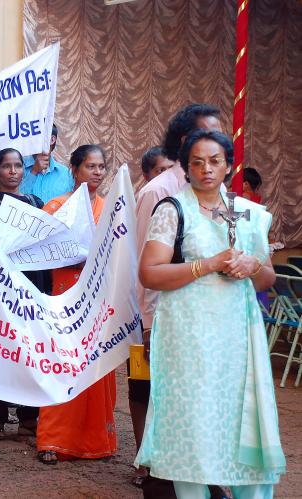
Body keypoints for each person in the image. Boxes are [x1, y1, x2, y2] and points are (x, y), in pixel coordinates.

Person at [136, 129, 285, 497]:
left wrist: (252, 266)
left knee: (243, 419)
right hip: (189, 341)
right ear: (186, 167)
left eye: (215, 161)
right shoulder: (173, 210)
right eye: (197, 162)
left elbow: (267, 278)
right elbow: (149, 273)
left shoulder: (248, 213)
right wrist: (208, 264)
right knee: (194, 425)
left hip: (238, 341)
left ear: (229, 165)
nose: (206, 169)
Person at [132, 103, 222, 487]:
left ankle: (199, 467)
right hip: (160, 316)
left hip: (205, 320)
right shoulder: (158, 192)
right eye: (208, 134)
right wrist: (150, 326)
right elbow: (145, 267)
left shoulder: (217, 191)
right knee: (148, 389)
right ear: (186, 141)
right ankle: (150, 466)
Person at [36, 144, 112, 464]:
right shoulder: (58, 206)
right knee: (63, 366)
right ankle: (53, 441)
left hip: (97, 300)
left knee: (96, 369)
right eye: (90, 167)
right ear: (75, 170)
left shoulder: (110, 208)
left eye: (101, 167)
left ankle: (97, 441)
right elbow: (39, 246)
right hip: (65, 296)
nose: (97, 172)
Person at [0, 148, 47, 442]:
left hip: (30, 286)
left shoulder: (35, 203)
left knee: (29, 351)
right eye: (7, 166)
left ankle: (29, 417)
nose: (13, 171)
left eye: (17, 166)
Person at [19, 123, 74, 204]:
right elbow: (13, 201)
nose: (32, 139)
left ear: (52, 140)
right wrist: (33, 172)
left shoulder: (66, 174)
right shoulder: (17, 167)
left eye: (37, 135)